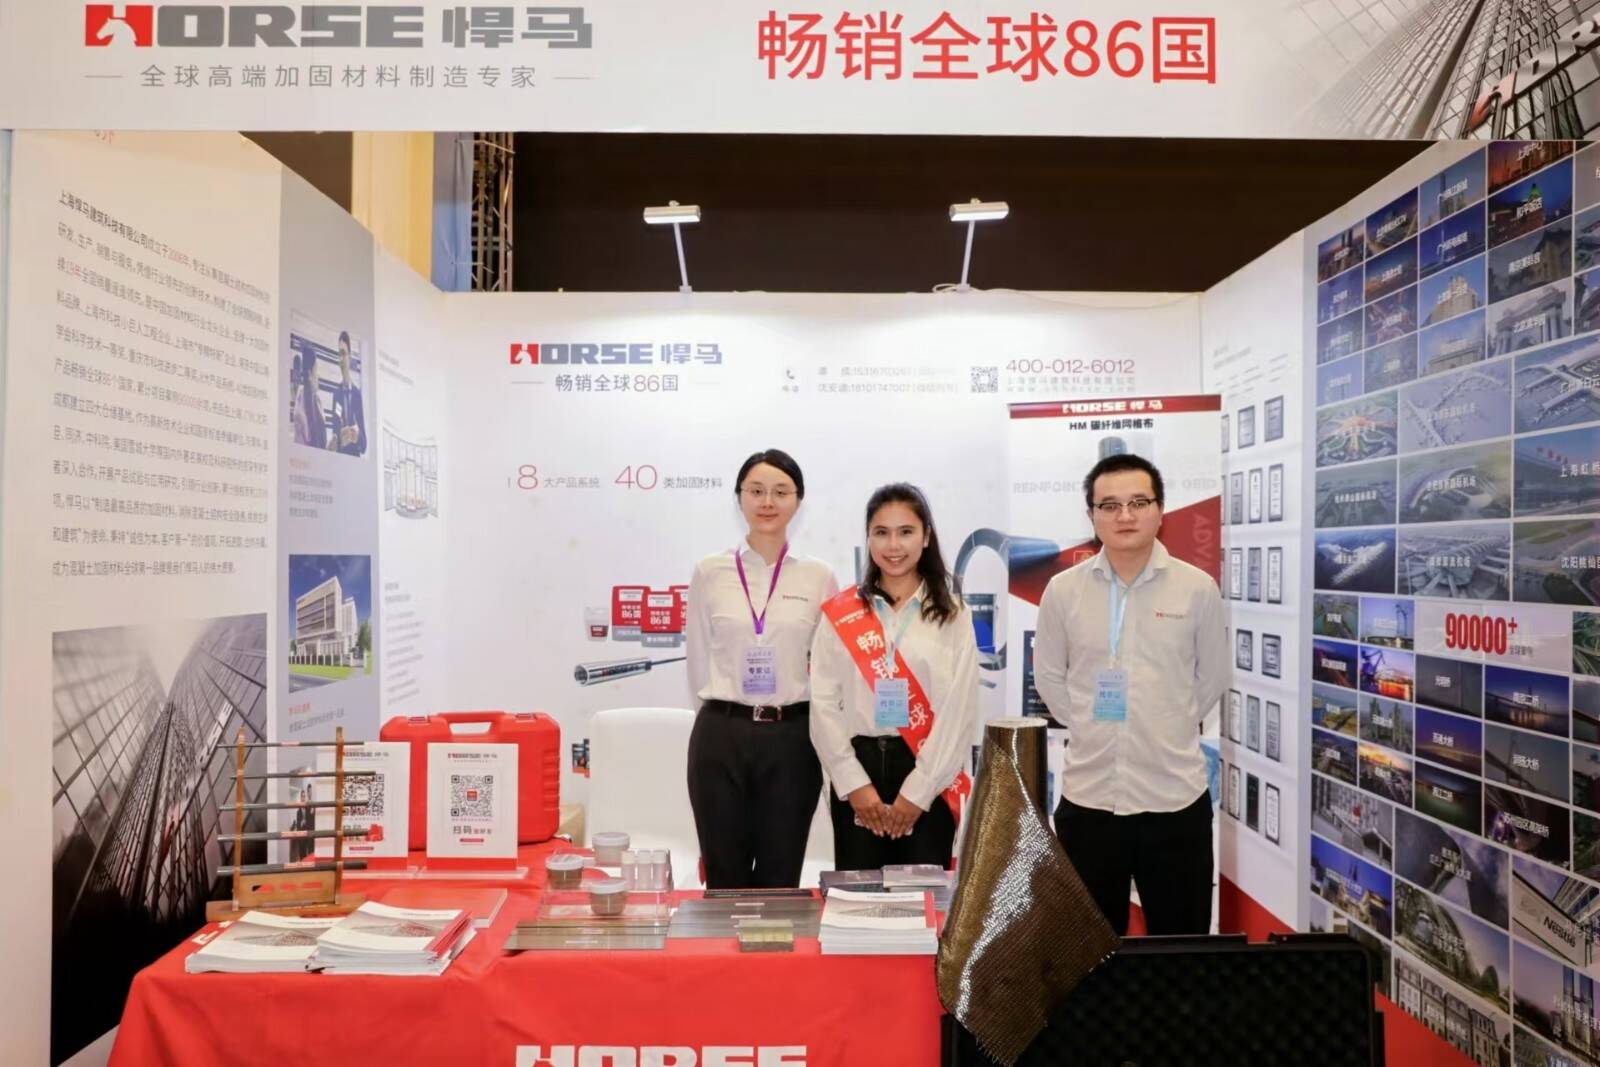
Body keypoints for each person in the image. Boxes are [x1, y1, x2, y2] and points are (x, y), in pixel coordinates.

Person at [1033, 453, 1229, 935]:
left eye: (1139, 502)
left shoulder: (1197, 588)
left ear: (1161, 510)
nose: (1125, 515)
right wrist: (1089, 723)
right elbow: (1050, 678)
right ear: (1092, 515)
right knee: (1089, 955)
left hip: (1174, 800)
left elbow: (1212, 677)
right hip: (1089, 800)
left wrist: (1167, 722)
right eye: (1110, 505)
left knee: (1180, 951)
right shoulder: (1063, 591)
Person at [685, 449, 839, 888]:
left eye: (780, 491)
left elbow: (829, 667)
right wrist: (720, 720)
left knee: (780, 878)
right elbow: (698, 660)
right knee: (724, 878)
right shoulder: (709, 572)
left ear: (798, 500)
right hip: (721, 734)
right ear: (739, 498)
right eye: (756, 490)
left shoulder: (819, 576)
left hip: (792, 738)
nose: (767, 501)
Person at [810, 483, 976, 871]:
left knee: (923, 899)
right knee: (858, 899)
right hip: (858, 772)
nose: (893, 545)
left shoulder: (952, 614)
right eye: (881, 532)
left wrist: (918, 793)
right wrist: (854, 784)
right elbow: (822, 703)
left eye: (906, 532)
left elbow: (959, 710)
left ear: (926, 537)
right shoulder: (842, 613)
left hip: (926, 772)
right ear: (868, 538)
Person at [330, 331, 367, 457]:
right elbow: (335, 434)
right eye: (339, 355)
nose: (341, 359)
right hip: (340, 461)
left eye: (344, 354)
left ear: (349, 357)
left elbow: (364, 445)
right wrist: (339, 439)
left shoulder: (357, 395)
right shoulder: (336, 395)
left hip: (354, 462)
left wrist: (357, 436)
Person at [298, 349, 328, 451]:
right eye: (316, 370)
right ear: (310, 374)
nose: (318, 375)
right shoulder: (301, 401)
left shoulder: (317, 400)